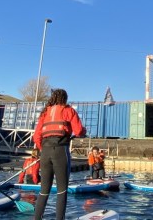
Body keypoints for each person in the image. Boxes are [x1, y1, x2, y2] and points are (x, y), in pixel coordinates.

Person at [32, 88, 86, 220]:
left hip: (45, 152)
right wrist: (84, 131)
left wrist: (43, 149)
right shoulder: (68, 110)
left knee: (44, 190)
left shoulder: (45, 113)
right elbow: (78, 131)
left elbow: (36, 136)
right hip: (61, 151)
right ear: (65, 99)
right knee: (62, 191)